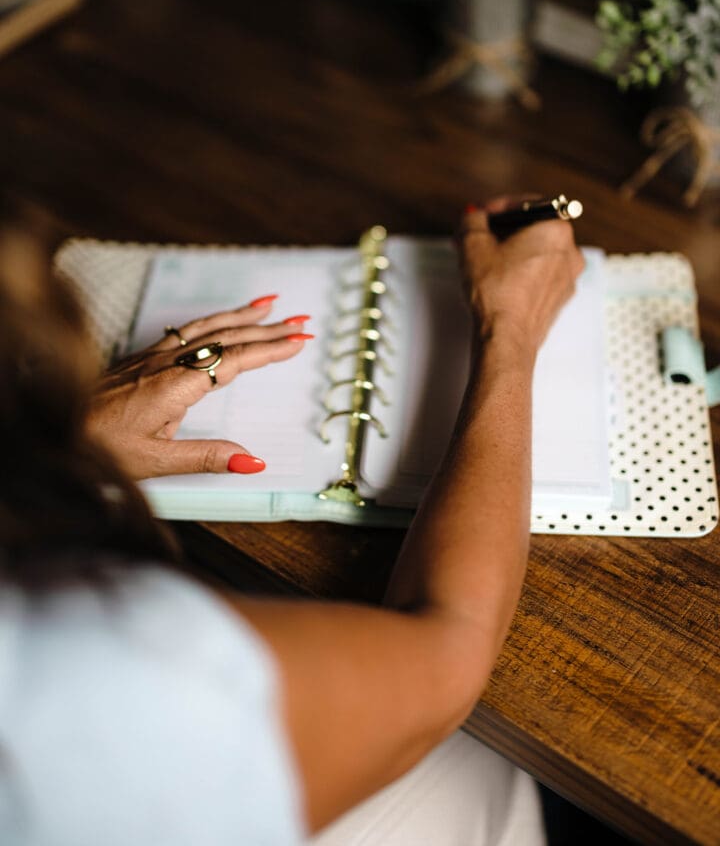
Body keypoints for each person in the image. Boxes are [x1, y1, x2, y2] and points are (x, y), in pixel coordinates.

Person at [0, 192, 584, 845]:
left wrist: (73, 449)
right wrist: (511, 328)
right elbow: (450, 650)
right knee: (485, 764)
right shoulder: (91, 663)